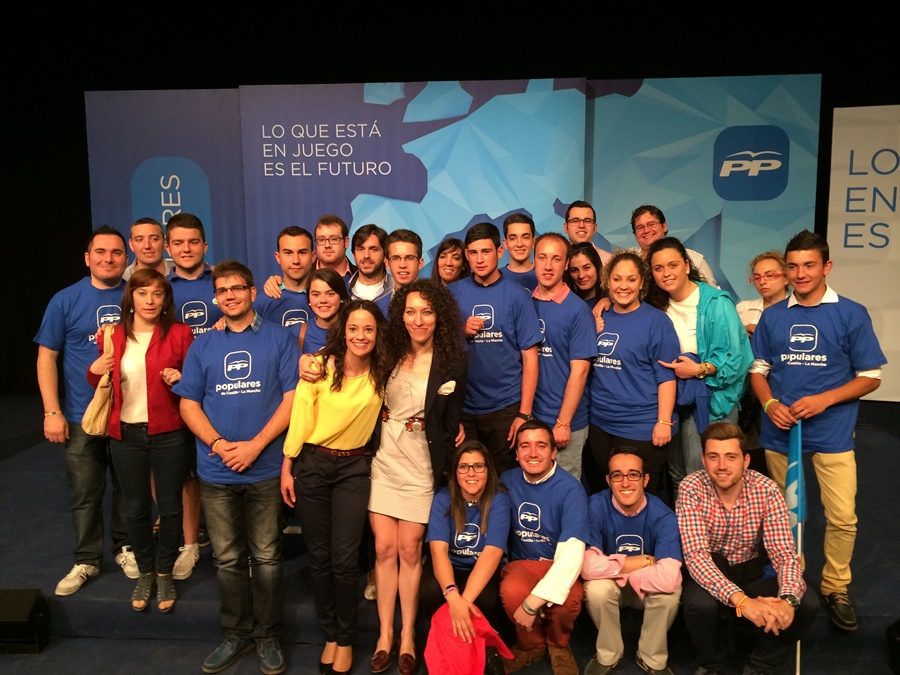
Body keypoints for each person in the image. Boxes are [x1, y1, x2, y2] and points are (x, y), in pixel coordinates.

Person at [749, 230, 886, 632]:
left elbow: (870, 376)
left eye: (809, 265)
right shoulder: (774, 315)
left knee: (842, 516)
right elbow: (759, 372)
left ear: (826, 267)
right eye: (792, 266)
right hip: (780, 433)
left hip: (833, 432)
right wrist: (770, 404)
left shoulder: (850, 313)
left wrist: (825, 400)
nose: (800, 273)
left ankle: (835, 587)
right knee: (784, 518)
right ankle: (794, 582)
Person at [174, 260, 299, 675]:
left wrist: (255, 446)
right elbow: (188, 402)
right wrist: (218, 443)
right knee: (227, 559)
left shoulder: (280, 339)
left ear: (251, 292)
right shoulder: (203, 345)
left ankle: (267, 635)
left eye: (237, 288)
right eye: (222, 290)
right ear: (216, 297)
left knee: (266, 556)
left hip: (263, 468)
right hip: (217, 471)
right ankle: (236, 633)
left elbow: (291, 399)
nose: (229, 296)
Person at [281, 300, 391, 675]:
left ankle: (345, 638)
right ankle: (329, 633)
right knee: (319, 556)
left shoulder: (383, 373)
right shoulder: (319, 368)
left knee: (345, 560)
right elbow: (300, 419)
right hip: (312, 464)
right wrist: (287, 466)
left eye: (369, 330)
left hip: (354, 469)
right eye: (354, 328)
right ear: (343, 330)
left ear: (378, 336)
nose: (360, 336)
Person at [368, 280, 467, 674]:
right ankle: (384, 634)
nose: (418, 319)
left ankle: (408, 634)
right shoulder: (386, 350)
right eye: (410, 311)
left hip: (421, 463)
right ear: (400, 315)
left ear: (438, 315)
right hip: (383, 459)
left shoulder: (453, 360)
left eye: (426, 311)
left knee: (410, 549)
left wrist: (450, 431)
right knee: (383, 549)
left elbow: (453, 414)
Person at [35, 225, 135, 595]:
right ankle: (87, 560)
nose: (109, 259)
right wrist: (51, 411)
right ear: (87, 258)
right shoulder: (65, 300)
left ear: (126, 259)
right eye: (101, 252)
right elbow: (47, 356)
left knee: (129, 488)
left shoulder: (137, 295)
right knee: (85, 491)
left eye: (116, 253)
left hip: (128, 414)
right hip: (81, 415)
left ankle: (126, 549)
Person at [87, 269, 193, 612]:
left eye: (157, 294)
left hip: (169, 433)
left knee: (171, 506)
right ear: (130, 297)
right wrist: (95, 368)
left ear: (165, 300)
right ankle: (145, 572)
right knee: (134, 509)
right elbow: (98, 382)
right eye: (143, 293)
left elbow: (194, 382)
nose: (150, 300)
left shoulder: (180, 334)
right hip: (126, 434)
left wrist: (180, 378)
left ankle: (164, 572)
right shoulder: (113, 335)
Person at [676, 422, 818, 674]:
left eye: (731, 457)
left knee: (805, 602)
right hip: (711, 569)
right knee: (699, 604)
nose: (721, 466)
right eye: (713, 457)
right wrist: (742, 601)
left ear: (746, 460)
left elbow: (784, 554)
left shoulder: (767, 489)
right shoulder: (690, 487)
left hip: (752, 570)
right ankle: (712, 666)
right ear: (703, 460)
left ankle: (759, 665)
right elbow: (697, 557)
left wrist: (786, 600)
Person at [645, 237, 752, 493]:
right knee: (676, 471)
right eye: (658, 268)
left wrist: (698, 370)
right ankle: (686, 529)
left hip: (712, 401)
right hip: (674, 399)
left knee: (703, 472)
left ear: (686, 264)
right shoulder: (656, 304)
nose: (666, 273)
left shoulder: (716, 303)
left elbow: (736, 358)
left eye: (672, 265)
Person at [449, 222, 542, 472]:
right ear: (467, 256)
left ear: (500, 252)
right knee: (467, 481)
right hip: (464, 409)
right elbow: (438, 351)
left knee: (505, 481)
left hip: (505, 408)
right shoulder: (452, 294)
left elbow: (531, 357)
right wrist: (459, 330)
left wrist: (523, 414)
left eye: (486, 251)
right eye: (473, 253)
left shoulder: (517, 295)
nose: (480, 259)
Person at [582, 447, 682, 675]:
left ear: (646, 479)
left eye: (633, 474)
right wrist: (644, 561)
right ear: (608, 480)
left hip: (642, 587)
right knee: (597, 589)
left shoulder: (664, 516)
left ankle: (651, 657)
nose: (625, 482)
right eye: (617, 475)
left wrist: (616, 569)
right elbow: (587, 567)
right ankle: (609, 654)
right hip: (612, 586)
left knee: (669, 593)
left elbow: (668, 578)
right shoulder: (595, 506)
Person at [586, 251, 680, 495]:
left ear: (642, 282)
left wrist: (663, 422)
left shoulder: (657, 321)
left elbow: (667, 377)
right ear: (608, 281)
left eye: (631, 279)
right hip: (601, 425)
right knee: (606, 495)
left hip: (642, 428)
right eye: (617, 279)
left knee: (642, 499)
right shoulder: (599, 315)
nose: (623, 286)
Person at [499, 420, 588, 675]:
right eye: (524, 446)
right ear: (516, 454)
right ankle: (531, 645)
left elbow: (571, 555)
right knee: (513, 590)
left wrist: (531, 605)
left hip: (557, 562)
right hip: (522, 562)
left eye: (541, 445)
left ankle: (558, 645)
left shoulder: (571, 489)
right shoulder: (507, 480)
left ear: (553, 452)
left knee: (568, 601)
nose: (533, 453)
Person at [421, 441, 511, 670]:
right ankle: (445, 653)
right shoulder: (444, 497)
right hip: (451, 566)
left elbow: (492, 553)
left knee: (487, 599)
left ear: (488, 470)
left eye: (478, 466)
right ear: (455, 472)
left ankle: (480, 654)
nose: (471, 473)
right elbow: (438, 551)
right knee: (430, 591)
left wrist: (464, 602)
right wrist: (453, 596)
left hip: (481, 567)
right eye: (464, 467)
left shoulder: (499, 499)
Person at [165, 212, 220, 579]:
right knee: (182, 473)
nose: (187, 249)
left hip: (223, 392)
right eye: (179, 243)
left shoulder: (222, 282)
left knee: (216, 467)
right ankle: (189, 542)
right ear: (169, 248)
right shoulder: (160, 287)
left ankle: (220, 538)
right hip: (175, 393)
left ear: (205, 244)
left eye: (193, 242)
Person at [530, 233, 595, 479]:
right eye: (542, 258)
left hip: (566, 422)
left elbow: (580, 371)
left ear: (566, 264)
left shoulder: (577, 310)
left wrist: (563, 422)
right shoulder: (527, 303)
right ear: (534, 260)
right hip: (533, 419)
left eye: (556, 259)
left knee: (565, 487)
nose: (548, 266)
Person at [629, 205, 718, 288]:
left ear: (664, 226)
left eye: (652, 224)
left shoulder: (694, 258)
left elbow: (713, 298)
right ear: (634, 234)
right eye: (640, 227)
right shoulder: (627, 262)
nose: (646, 230)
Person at [256, 226, 316, 330]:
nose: (296, 260)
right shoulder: (263, 301)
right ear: (278, 257)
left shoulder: (325, 298)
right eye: (288, 253)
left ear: (313, 256)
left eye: (302, 252)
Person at [735, 251, 789, 337]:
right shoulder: (744, 309)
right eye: (757, 278)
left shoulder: (799, 310)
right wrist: (743, 331)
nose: (762, 282)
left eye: (770, 275)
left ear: (786, 278)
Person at [304, 268, 352, 354]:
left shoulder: (353, 330)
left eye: (330, 294)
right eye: (316, 294)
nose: (323, 300)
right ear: (309, 299)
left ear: (341, 297)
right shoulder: (298, 332)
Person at [349, 224, 393, 314]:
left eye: (373, 249)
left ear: (385, 254)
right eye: (360, 249)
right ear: (353, 255)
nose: (366, 256)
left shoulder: (397, 289)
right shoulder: (342, 290)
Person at [562, 200, 612, 266]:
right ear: (566, 227)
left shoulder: (608, 261)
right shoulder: (558, 258)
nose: (581, 225)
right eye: (575, 221)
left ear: (595, 228)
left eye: (587, 221)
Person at [314, 214, 356, 284]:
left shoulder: (361, 275)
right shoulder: (304, 276)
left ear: (346, 242)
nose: (327, 245)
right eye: (321, 240)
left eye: (334, 239)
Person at [503, 213, 537, 292]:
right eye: (513, 238)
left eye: (525, 237)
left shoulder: (545, 276)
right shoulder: (496, 277)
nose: (519, 244)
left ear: (533, 242)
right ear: (505, 243)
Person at [565, 242, 605, 309]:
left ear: (597, 267)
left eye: (586, 268)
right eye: (574, 270)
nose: (581, 275)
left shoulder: (612, 301)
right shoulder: (567, 303)